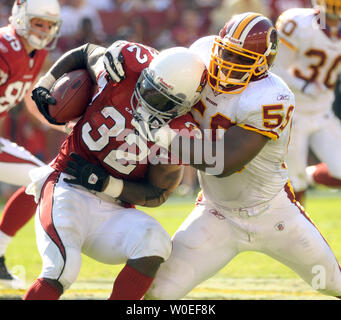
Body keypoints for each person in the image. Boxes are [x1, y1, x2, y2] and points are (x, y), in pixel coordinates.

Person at [126, 12, 341, 299]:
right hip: (215, 213)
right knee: (157, 295)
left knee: (331, 283)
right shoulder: (200, 54)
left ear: (262, 65)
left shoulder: (271, 97)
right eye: (227, 53)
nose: (229, 64)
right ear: (218, 45)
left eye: (242, 60)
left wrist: (160, 133)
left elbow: (222, 163)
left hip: (273, 214)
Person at [23, 42, 207, 299]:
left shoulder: (180, 130)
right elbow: (85, 52)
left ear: (184, 104)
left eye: (163, 100)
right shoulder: (126, 67)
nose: (148, 99)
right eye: (149, 88)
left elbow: (158, 193)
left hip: (115, 207)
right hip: (67, 183)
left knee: (155, 241)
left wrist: (107, 184)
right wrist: (47, 81)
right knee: (63, 269)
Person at [0, 0, 61, 289]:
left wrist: (60, 123)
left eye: (49, 25)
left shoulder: (35, 53)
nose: (44, 30)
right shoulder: (4, 46)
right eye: (39, 23)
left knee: (42, 178)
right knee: (43, 177)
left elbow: (25, 97)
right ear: (22, 17)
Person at [272, 0, 341, 205]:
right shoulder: (298, 23)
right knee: (296, 184)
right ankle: (293, 233)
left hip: (322, 112)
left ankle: (310, 175)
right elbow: (275, 67)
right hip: (293, 112)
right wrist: (303, 86)